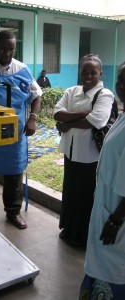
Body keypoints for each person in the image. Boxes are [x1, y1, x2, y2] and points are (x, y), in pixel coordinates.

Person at [0, 30, 42, 230]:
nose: (7, 53)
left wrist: (32, 118)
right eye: (3, 48)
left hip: (14, 134)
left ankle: (13, 212)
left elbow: (36, 95)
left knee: (14, 174)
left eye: (11, 49)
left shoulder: (23, 70)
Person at [54, 54, 114, 247]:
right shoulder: (72, 91)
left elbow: (98, 120)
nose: (88, 76)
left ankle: (82, 236)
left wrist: (67, 123)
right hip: (71, 152)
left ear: (100, 73)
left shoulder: (105, 95)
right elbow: (57, 112)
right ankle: (68, 228)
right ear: (79, 73)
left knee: (86, 196)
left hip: (90, 156)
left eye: (93, 72)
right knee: (70, 191)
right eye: (84, 72)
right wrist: (82, 114)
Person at [79, 62, 125, 299]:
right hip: (108, 206)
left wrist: (116, 220)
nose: (122, 85)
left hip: (117, 217)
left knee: (113, 275)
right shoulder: (123, 114)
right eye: (120, 79)